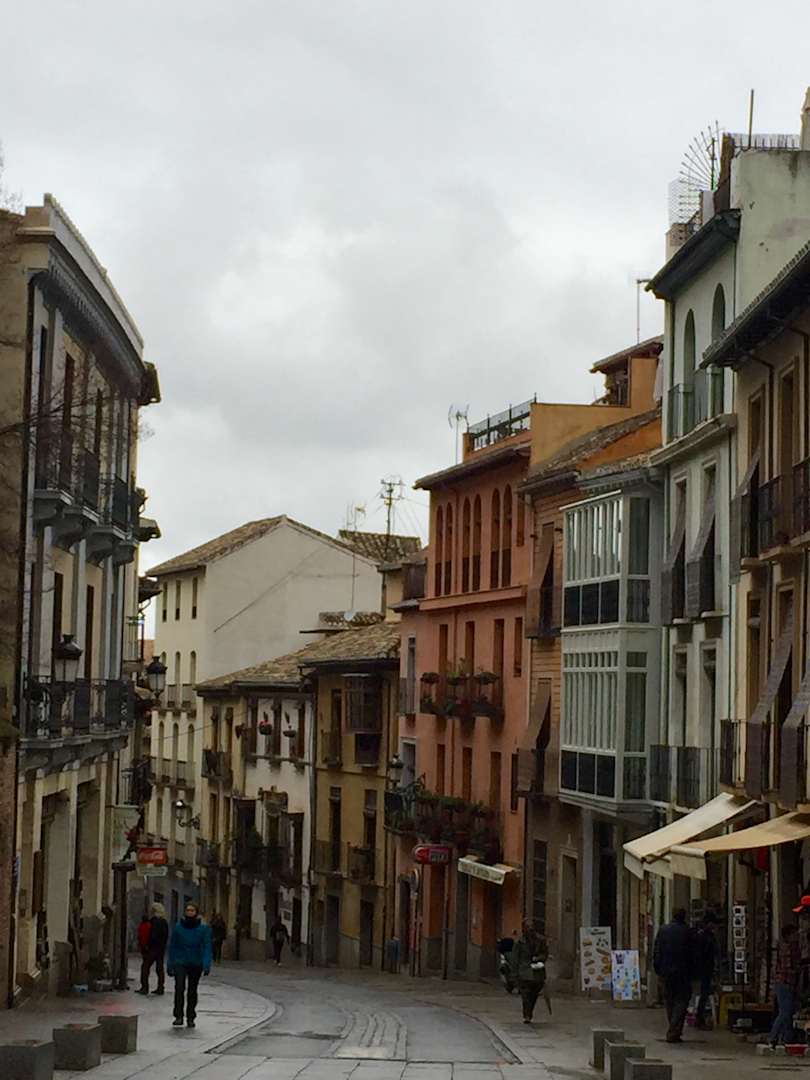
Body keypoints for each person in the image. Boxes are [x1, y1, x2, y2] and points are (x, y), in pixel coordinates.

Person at [167, 902, 212, 1029]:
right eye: (188, 910)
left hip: (195, 962)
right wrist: (170, 964)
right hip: (180, 961)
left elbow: (207, 947)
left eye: (192, 910)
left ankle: (191, 1016)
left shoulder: (203, 929)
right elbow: (173, 946)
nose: (190, 912)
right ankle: (178, 1015)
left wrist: (206, 964)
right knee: (179, 988)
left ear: (196, 912)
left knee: (192, 990)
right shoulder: (178, 927)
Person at [653, 908, 694, 1043]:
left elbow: (657, 950)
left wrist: (657, 968)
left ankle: (674, 1029)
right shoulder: (688, 932)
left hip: (666, 972)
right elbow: (693, 954)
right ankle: (674, 1029)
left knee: (669, 1000)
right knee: (682, 1000)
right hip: (683, 973)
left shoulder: (663, 930)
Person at [510, 921, 549, 1024]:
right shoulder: (519, 942)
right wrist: (514, 975)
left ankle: (529, 1011)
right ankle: (527, 1015)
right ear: (524, 929)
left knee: (534, 995)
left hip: (537, 972)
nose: (530, 929)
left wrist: (539, 958)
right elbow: (515, 959)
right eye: (528, 927)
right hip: (524, 972)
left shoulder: (541, 940)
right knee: (525, 995)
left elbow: (545, 954)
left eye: (531, 927)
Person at [769, 924, 801, 1048]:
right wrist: (798, 969)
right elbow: (787, 968)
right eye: (794, 934)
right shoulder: (786, 949)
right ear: (788, 936)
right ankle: (773, 1036)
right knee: (785, 1012)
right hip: (784, 983)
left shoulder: (792, 948)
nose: (796, 936)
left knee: (788, 1013)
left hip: (787, 983)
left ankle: (786, 1038)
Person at [137, 902, 169, 996]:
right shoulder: (164, 922)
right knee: (159, 968)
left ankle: (144, 987)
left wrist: (147, 946)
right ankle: (160, 988)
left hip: (152, 948)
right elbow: (165, 935)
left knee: (145, 967)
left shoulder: (153, 921)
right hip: (161, 948)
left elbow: (151, 935)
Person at [694, 915, 718, 1029]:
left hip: (704, 969)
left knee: (704, 994)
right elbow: (707, 953)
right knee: (703, 994)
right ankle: (699, 1019)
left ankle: (700, 1018)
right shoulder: (706, 937)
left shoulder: (703, 936)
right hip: (705, 969)